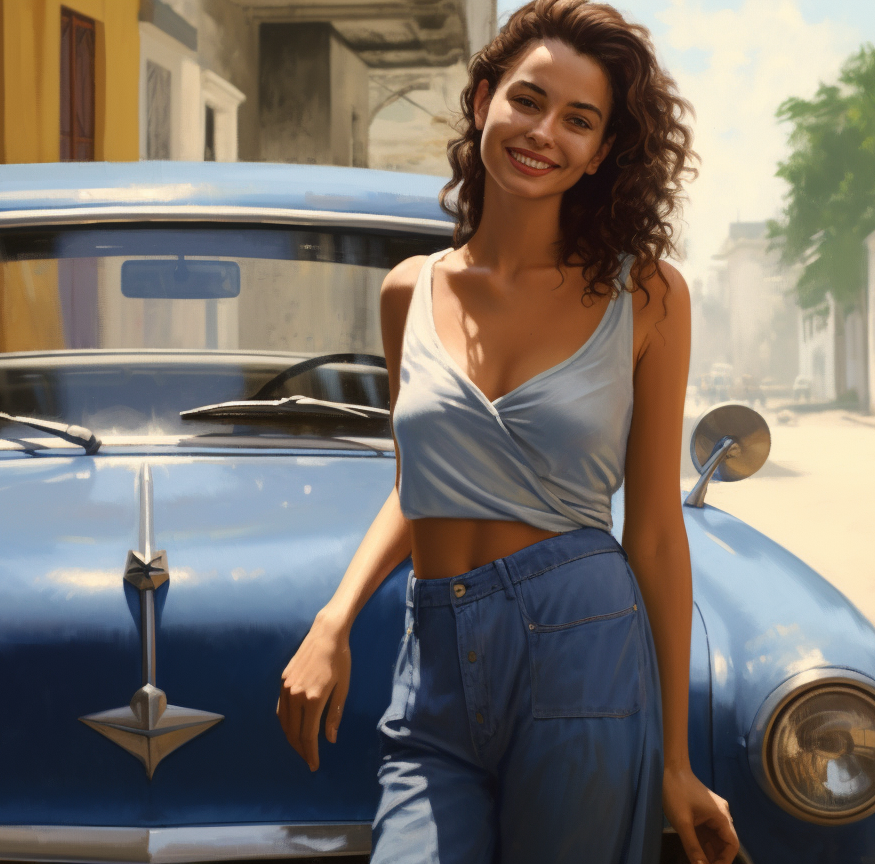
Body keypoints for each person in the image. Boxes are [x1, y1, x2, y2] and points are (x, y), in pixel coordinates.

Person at [276, 2, 738, 863]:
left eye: (579, 120)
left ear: (601, 153)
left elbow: (655, 530)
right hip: (436, 655)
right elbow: (426, 480)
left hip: (583, 648)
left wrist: (676, 761)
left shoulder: (645, 296)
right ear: (485, 97)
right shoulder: (409, 291)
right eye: (527, 100)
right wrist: (335, 617)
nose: (543, 133)